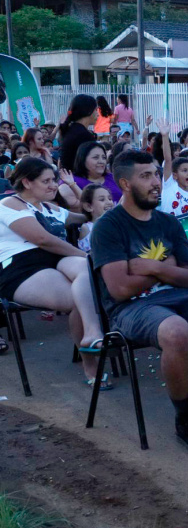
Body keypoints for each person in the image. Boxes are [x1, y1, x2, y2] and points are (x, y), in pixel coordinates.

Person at [92, 149, 188, 455]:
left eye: (156, 174)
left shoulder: (169, 223)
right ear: (124, 183)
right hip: (131, 309)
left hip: (183, 296)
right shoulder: (109, 227)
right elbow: (120, 288)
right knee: (176, 332)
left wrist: (152, 267)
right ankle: (186, 417)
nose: (156, 183)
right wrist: (169, 266)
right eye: (145, 176)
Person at [0, 158, 105, 385]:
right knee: (81, 294)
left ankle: (92, 334)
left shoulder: (50, 208)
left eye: (54, 181)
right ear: (27, 182)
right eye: (46, 181)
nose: (53, 186)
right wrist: (84, 255)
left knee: (84, 271)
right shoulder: (11, 203)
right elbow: (42, 239)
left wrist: (94, 204)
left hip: (58, 259)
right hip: (22, 266)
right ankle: (90, 362)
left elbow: (86, 215)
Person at [59, 94, 99, 171]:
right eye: (96, 110)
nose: (98, 114)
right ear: (88, 111)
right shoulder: (83, 135)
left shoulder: (71, 129)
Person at [77, 183, 113, 252]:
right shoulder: (87, 228)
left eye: (110, 198)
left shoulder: (118, 225)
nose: (109, 202)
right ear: (89, 207)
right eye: (102, 199)